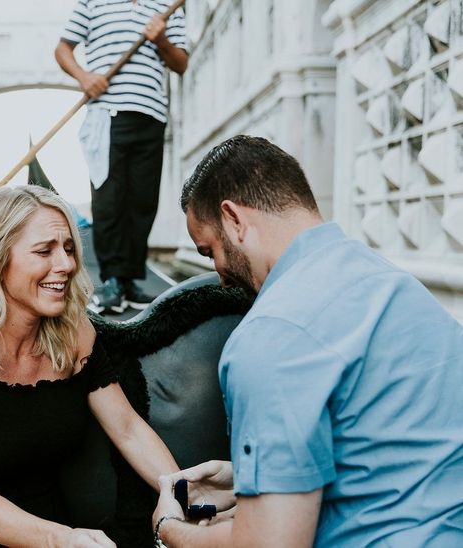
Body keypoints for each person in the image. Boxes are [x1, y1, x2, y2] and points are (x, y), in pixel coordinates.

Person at [150, 135, 463, 546]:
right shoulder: (399, 287)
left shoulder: (268, 337)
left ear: (234, 220)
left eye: (209, 251)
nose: (220, 275)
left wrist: (168, 530)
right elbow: (385, 451)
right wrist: (247, 478)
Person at [0, 185, 180, 547]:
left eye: (68, 249)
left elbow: (128, 428)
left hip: (59, 532)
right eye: (45, 251)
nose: (66, 265)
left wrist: (184, 492)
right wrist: (61, 539)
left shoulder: (73, 333)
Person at [55, 0, 188, 314]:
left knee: (142, 201)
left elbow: (180, 63)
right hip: (107, 115)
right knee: (110, 199)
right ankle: (113, 278)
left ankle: (130, 278)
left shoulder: (170, 7)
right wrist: (85, 77)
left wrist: (161, 40)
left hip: (152, 114)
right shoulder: (93, 2)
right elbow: (63, 49)